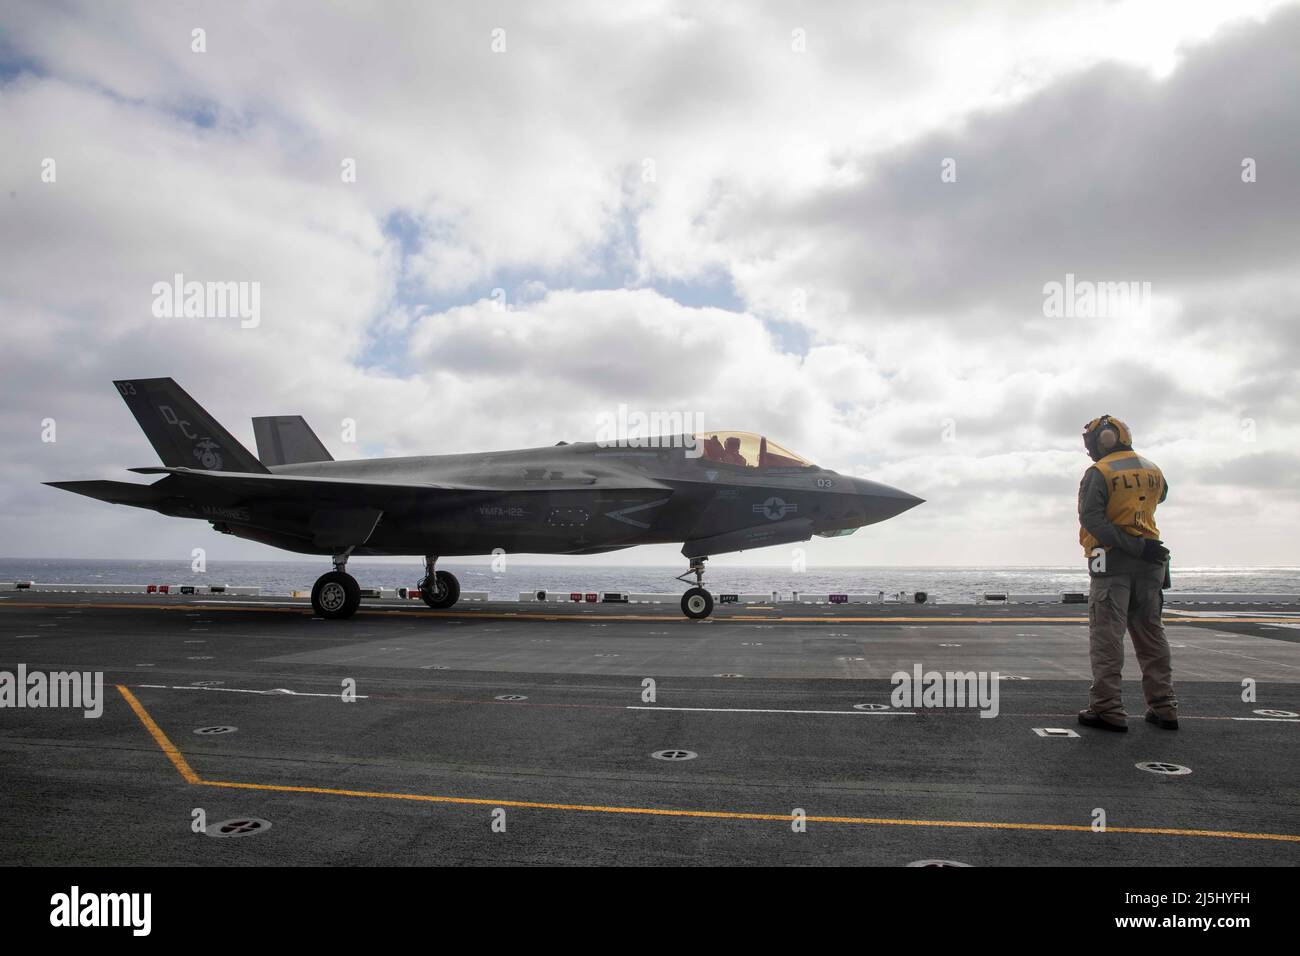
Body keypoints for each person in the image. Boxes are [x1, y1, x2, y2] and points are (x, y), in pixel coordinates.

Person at [1076, 415, 1178, 732]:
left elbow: (1092, 519)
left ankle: (1107, 709)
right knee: (1151, 635)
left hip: (1112, 564)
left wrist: (1129, 545)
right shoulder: (1152, 469)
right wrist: (1140, 542)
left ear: (1104, 439)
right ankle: (1164, 707)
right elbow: (1159, 497)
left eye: (1092, 440)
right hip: (1152, 560)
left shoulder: (1099, 472)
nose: (1090, 447)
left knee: (1108, 637)